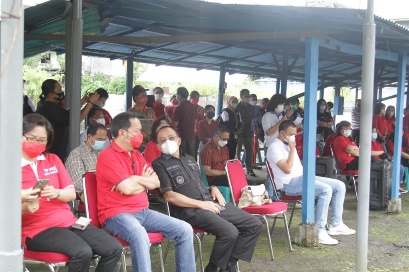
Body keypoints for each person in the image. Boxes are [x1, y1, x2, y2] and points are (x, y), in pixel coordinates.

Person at [152, 126, 263, 272]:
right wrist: (202, 204)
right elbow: (169, 195)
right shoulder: (159, 164)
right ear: (159, 147)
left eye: (171, 138)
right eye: (163, 140)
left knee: (254, 224)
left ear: (178, 140)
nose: (168, 142)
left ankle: (230, 263)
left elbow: (199, 185)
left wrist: (212, 188)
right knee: (229, 232)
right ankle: (213, 268)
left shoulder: (190, 159)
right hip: (189, 210)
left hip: (209, 202)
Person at [21, 113, 122, 272]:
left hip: (69, 221)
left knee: (113, 248)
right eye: (31, 138)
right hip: (37, 229)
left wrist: (56, 193)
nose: (37, 143)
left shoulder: (52, 159)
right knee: (82, 252)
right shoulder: (9, 165)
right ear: (20, 136)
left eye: (42, 140)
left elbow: (71, 193)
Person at [96, 111, 195, 272]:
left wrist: (135, 179)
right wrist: (141, 181)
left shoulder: (136, 154)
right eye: (137, 131)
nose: (141, 134)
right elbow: (127, 189)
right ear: (123, 133)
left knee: (184, 229)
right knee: (139, 235)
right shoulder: (108, 156)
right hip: (116, 215)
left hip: (143, 212)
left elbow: (156, 182)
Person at [267, 120, 355, 245]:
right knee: (326, 190)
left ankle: (336, 224)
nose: (294, 137)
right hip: (288, 184)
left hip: (302, 177)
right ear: (282, 133)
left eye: (295, 134)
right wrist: (292, 149)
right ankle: (319, 230)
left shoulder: (288, 144)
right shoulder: (274, 147)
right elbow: (287, 169)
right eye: (291, 134)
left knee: (339, 186)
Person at [36, 79, 99, 162]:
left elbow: (67, 114)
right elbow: (76, 120)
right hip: (54, 152)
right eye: (59, 90)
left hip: (54, 151)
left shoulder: (44, 104)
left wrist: (82, 102)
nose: (61, 92)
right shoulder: (50, 109)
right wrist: (90, 103)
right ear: (51, 94)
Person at [66, 123, 108, 197]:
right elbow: (79, 183)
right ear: (89, 137)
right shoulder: (77, 154)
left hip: (107, 191)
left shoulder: (105, 154)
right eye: (99, 139)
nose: (102, 142)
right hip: (89, 194)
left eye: (104, 140)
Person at [128, 85, 156, 150]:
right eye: (143, 95)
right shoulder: (131, 112)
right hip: (139, 145)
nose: (146, 97)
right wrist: (147, 137)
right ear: (136, 98)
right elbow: (134, 128)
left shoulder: (150, 110)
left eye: (146, 95)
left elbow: (155, 124)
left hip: (151, 143)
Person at [173, 87, 198, 157]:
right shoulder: (193, 107)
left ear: (179, 96)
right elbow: (195, 121)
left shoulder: (178, 108)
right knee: (191, 157)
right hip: (191, 135)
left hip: (181, 135)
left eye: (176, 95)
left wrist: (167, 115)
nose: (176, 97)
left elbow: (175, 124)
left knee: (182, 157)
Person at [236, 89, 255, 176]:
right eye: (245, 95)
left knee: (249, 151)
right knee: (238, 151)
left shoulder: (251, 107)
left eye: (248, 95)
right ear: (241, 97)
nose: (247, 97)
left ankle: (249, 169)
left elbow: (254, 119)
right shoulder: (237, 107)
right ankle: (238, 169)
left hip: (249, 132)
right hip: (239, 132)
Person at [191, 90, 205, 160]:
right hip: (189, 133)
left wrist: (200, 114)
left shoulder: (200, 108)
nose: (196, 100)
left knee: (195, 150)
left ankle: (195, 166)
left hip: (197, 133)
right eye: (194, 98)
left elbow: (202, 120)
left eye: (197, 98)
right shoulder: (187, 107)